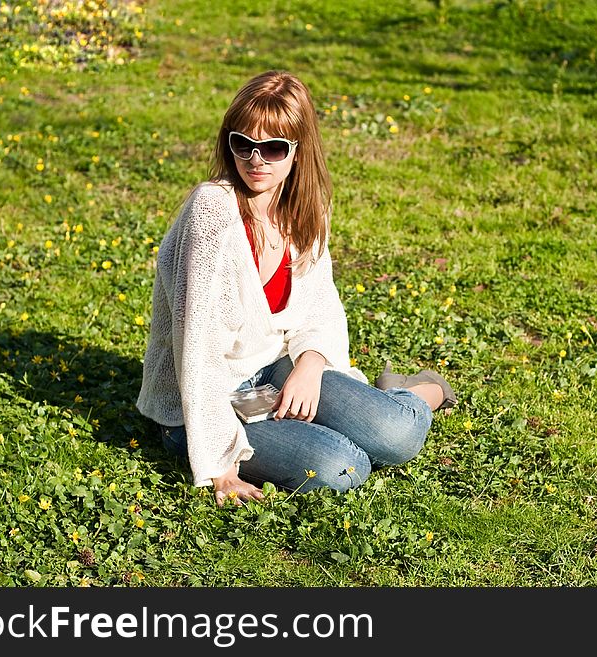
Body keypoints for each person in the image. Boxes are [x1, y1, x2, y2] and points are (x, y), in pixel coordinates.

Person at [136, 70, 456, 507]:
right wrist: (221, 466)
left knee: (396, 435)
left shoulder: (307, 211)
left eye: (272, 148)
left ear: (298, 151)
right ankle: (359, 413)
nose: (255, 160)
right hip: (202, 404)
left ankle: (419, 391)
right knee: (343, 467)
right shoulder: (212, 211)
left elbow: (320, 307)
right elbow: (196, 346)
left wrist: (309, 364)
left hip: (273, 367)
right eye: (242, 143)